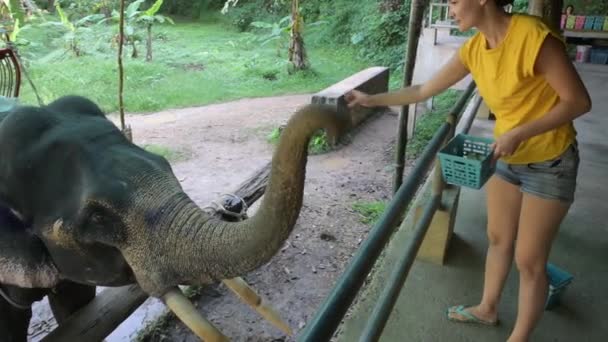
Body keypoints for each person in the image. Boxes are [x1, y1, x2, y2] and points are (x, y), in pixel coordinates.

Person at [345, 0, 591, 341]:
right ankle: (487, 309)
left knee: (529, 260)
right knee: (497, 238)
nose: (450, 10)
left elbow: (578, 101)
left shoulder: (533, 36)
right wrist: (370, 100)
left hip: (550, 161)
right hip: (505, 156)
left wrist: (521, 132)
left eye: (455, 1)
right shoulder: (474, 49)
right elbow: (423, 90)